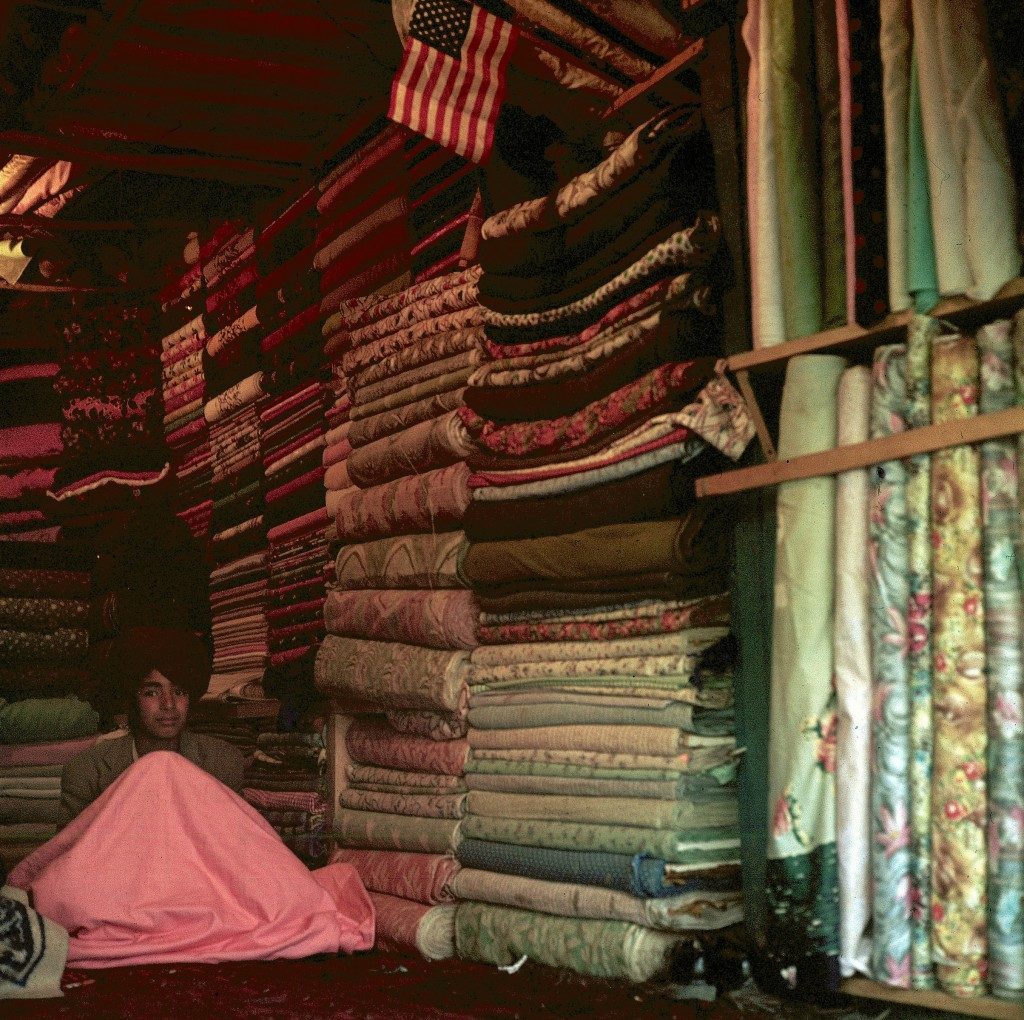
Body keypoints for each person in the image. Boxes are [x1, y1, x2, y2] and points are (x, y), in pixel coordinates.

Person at [57, 626, 245, 828]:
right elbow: (72, 854)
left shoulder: (221, 762)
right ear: (132, 699)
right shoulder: (88, 772)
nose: (169, 704)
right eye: (151, 693)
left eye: (179, 691)